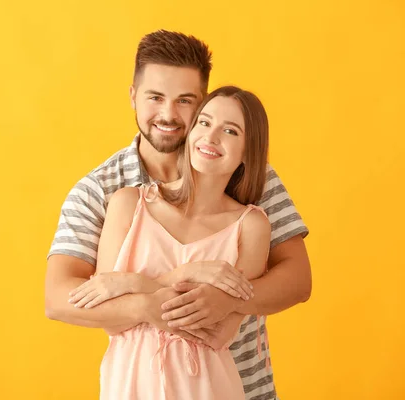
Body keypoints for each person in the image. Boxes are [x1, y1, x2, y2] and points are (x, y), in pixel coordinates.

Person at [45, 30, 311, 400]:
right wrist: (146, 303)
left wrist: (230, 301)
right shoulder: (103, 191)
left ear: (202, 102)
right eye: (155, 97)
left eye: (185, 101)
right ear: (133, 96)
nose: (168, 115)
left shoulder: (251, 178)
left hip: (243, 388)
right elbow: (58, 298)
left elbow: (298, 279)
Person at [70, 85, 271, 399]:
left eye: (230, 130)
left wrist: (127, 285)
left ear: (249, 150)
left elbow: (217, 332)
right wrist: (186, 275)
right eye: (204, 122)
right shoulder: (128, 204)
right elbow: (108, 318)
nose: (211, 137)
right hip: (130, 386)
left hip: (208, 388)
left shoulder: (252, 226)